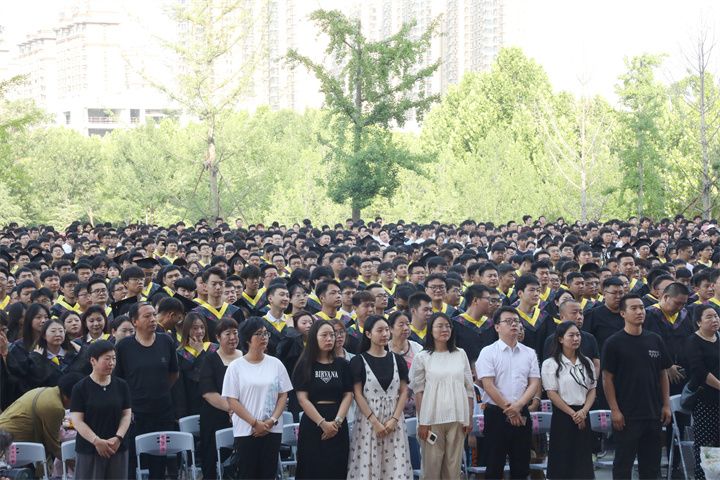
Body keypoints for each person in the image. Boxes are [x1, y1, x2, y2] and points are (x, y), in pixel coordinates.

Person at [602, 294, 672, 480]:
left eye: (641, 307)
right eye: (634, 308)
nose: (640, 311)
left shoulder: (655, 339)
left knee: (651, 467)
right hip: (627, 415)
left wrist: (666, 405)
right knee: (623, 466)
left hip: (653, 413)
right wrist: (615, 410)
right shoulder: (613, 343)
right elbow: (607, 379)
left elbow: (663, 374)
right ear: (623, 313)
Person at [115, 301, 179, 480]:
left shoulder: (166, 341)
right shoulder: (124, 347)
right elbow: (118, 380)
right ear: (134, 321)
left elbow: (174, 373)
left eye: (154, 315)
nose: (153, 319)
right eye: (147, 316)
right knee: (132, 462)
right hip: (135, 415)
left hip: (162, 413)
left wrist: (159, 390)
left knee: (159, 462)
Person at [221, 317, 292, 480]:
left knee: (268, 474)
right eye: (259, 334)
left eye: (266, 333)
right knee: (247, 474)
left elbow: (283, 395)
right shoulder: (236, 367)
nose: (264, 337)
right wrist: (255, 423)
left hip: (272, 429)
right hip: (246, 430)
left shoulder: (276, 364)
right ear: (247, 339)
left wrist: (272, 420)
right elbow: (232, 400)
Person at [475, 306, 541, 480]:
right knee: (494, 466)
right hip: (496, 414)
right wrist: (510, 410)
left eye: (517, 321)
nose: (514, 325)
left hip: (522, 412)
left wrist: (518, 406)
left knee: (521, 466)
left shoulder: (529, 353)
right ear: (497, 327)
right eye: (508, 321)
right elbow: (488, 385)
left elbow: (534, 383)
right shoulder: (488, 352)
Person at [410, 312, 474, 479]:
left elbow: (469, 388)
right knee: (431, 469)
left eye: (448, 326)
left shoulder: (460, 353)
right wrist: (422, 421)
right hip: (431, 420)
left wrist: (469, 417)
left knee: (453, 469)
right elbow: (418, 391)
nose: (445, 329)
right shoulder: (422, 357)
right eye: (440, 326)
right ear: (431, 330)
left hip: (458, 418)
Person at [348, 315, 412, 479]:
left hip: (394, 421)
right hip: (368, 423)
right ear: (368, 334)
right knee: (368, 466)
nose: (384, 334)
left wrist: (394, 419)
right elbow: (357, 394)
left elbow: (404, 391)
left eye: (386, 330)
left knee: (396, 467)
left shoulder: (398, 360)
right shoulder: (358, 361)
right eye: (379, 330)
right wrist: (375, 422)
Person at [292, 320, 353, 479]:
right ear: (314, 338)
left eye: (332, 335)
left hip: (338, 423)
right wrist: (323, 424)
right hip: (313, 424)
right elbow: (302, 399)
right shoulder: (304, 364)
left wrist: (337, 423)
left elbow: (348, 394)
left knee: (337, 469)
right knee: (312, 469)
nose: (329, 339)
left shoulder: (343, 364)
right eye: (324, 335)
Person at [541, 321, 597, 479]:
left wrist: (584, 411)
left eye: (578, 335)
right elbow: (552, 393)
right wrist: (573, 414)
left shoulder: (587, 362)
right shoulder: (550, 364)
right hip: (563, 415)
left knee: (582, 461)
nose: (576, 338)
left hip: (583, 414)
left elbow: (592, 389)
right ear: (560, 339)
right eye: (571, 335)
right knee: (562, 461)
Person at [70, 340, 131, 479]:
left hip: (117, 448)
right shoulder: (80, 388)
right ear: (93, 360)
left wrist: (118, 438)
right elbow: (77, 421)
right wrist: (96, 441)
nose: (111, 363)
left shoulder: (122, 385)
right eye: (107, 359)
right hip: (89, 449)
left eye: (114, 358)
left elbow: (126, 415)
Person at [0, 372, 83, 460]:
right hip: (8, 444)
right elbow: (53, 446)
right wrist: (72, 463)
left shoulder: (47, 391)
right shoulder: (55, 407)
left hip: (5, 434)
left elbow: (60, 424)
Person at [199, 318, 242, 480]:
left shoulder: (246, 356)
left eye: (235, 333)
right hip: (216, 417)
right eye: (227, 334)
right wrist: (233, 409)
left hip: (245, 417)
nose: (233, 337)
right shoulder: (210, 360)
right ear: (217, 337)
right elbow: (208, 393)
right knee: (213, 460)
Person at [685, 304, 720, 480]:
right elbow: (700, 371)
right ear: (698, 322)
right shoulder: (693, 341)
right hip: (706, 400)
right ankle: (706, 477)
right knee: (708, 445)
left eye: (716, 316)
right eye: (709, 317)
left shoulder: (719, 338)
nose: (715, 320)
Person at [175, 312, 218, 418]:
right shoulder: (180, 354)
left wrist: (200, 351)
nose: (199, 331)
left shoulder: (215, 349)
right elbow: (179, 388)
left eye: (202, 327)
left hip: (215, 403)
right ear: (187, 330)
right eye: (195, 328)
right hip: (192, 406)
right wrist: (181, 414)